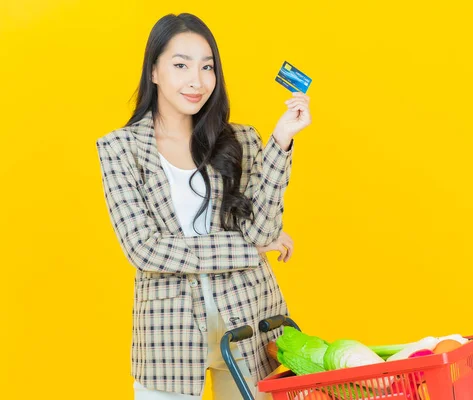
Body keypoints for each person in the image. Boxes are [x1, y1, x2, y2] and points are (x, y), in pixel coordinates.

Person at [95, 12, 311, 399]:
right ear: (154, 71)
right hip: (169, 337)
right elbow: (145, 249)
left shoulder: (241, 140)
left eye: (207, 66)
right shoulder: (119, 149)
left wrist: (280, 142)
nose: (197, 80)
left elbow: (261, 231)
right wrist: (247, 249)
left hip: (250, 320)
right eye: (181, 65)